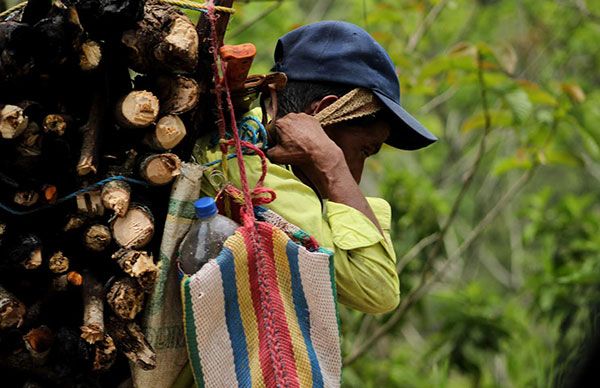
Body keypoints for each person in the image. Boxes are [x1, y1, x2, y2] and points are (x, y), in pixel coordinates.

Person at [194, 20, 437, 315]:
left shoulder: (249, 139)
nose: (356, 175)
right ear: (322, 114)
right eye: (364, 150)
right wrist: (331, 164)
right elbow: (378, 288)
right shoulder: (252, 172)